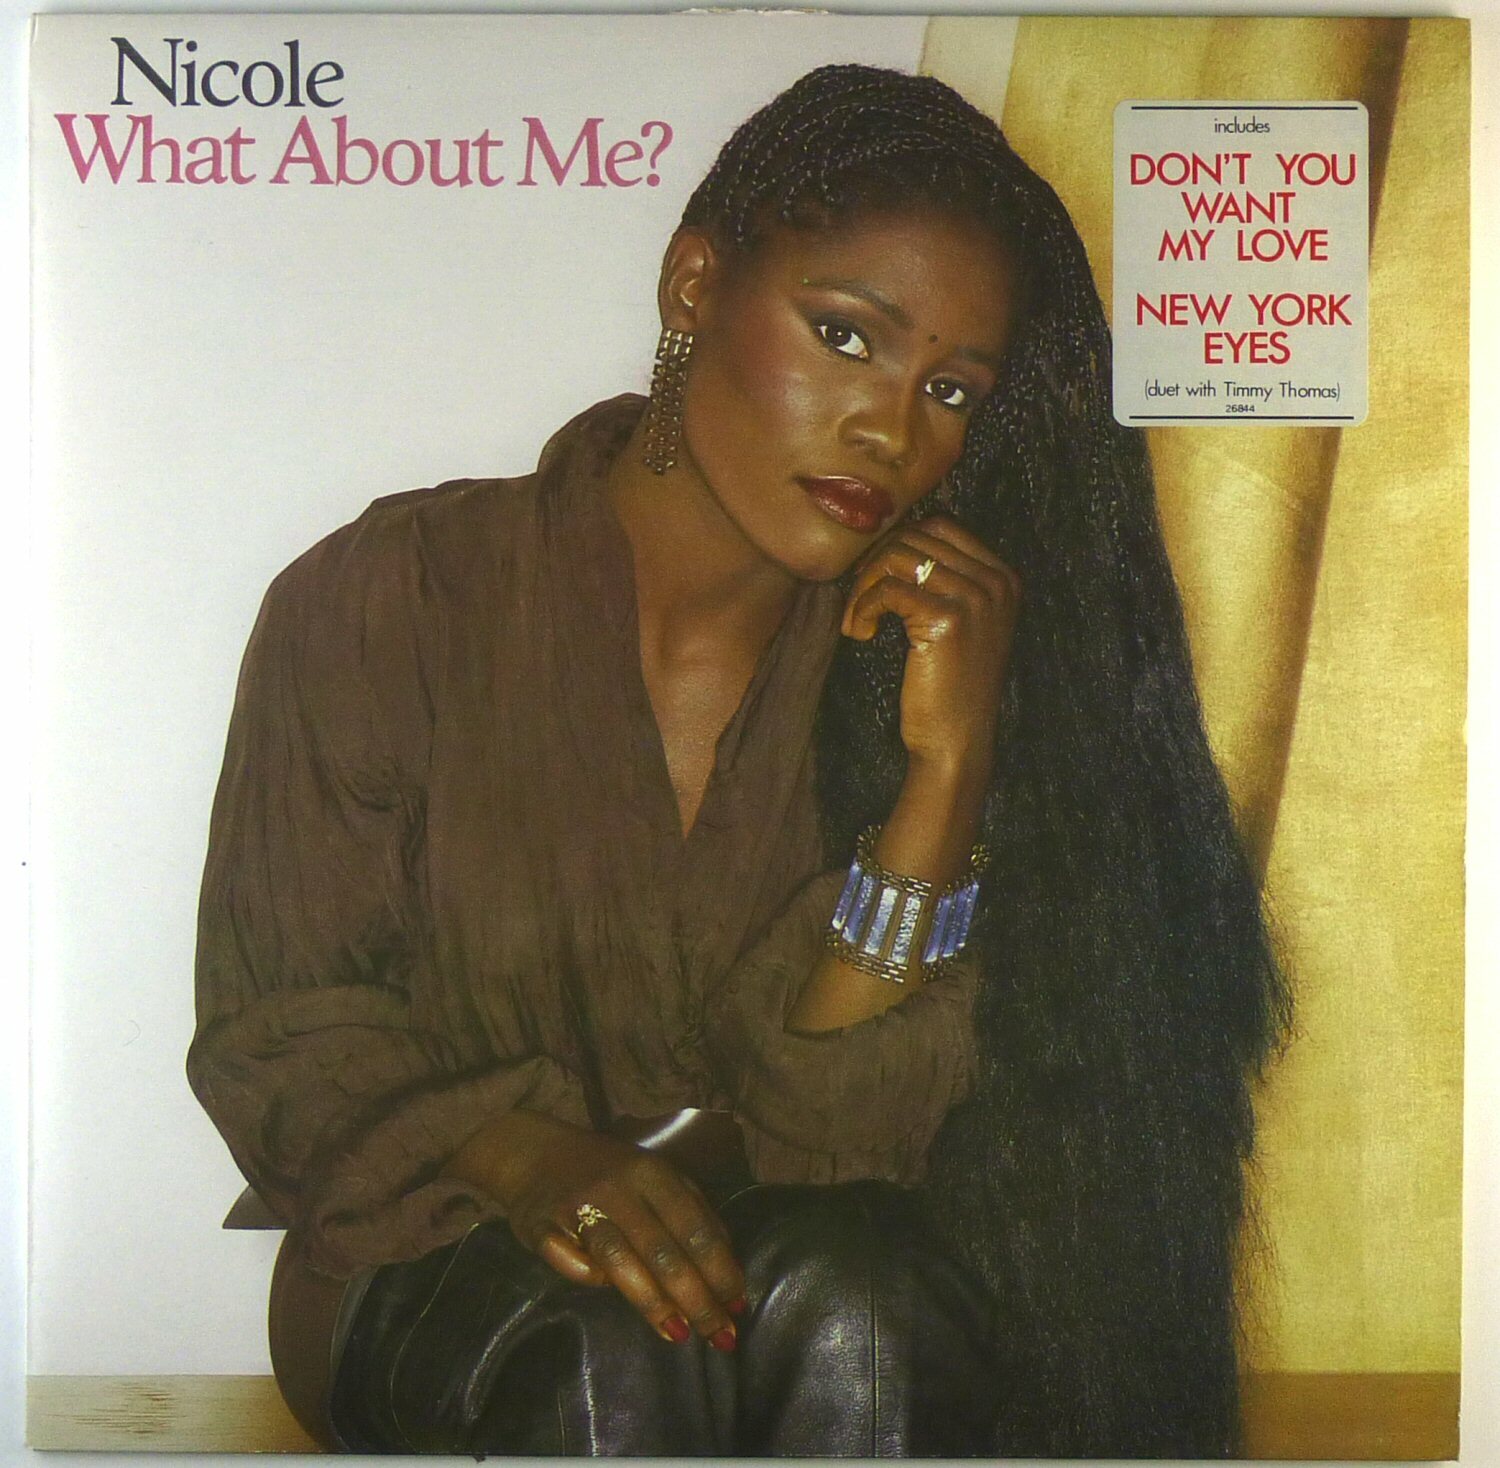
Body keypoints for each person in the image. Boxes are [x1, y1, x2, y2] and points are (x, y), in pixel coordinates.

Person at [190, 63, 1287, 1458]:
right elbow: (283, 1031)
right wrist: (530, 1155)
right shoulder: (392, 596)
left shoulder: (915, 662)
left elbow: (844, 1131)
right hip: (431, 1251)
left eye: (950, 388)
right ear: (695, 286)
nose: (892, 428)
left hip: (784, 1270)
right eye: (845, 336)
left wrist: (947, 774)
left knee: (868, 1308)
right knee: (608, 1348)